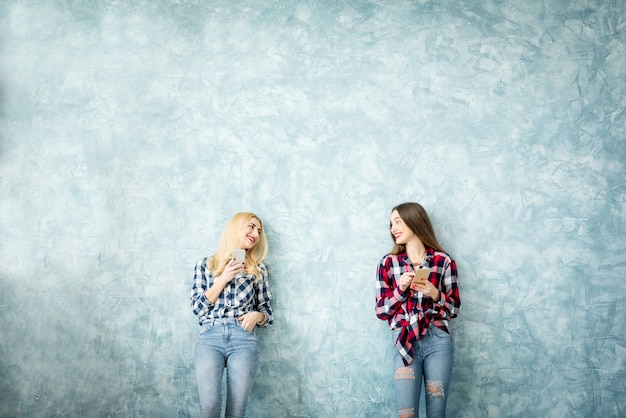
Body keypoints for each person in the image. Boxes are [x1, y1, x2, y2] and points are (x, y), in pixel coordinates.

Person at [375, 202, 461, 418]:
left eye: (398, 221)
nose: (393, 228)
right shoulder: (388, 263)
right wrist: (401, 289)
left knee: (436, 412)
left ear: (415, 221)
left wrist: (435, 294)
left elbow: (454, 309)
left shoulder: (443, 261)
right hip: (405, 339)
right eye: (391, 223)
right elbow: (381, 311)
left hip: (438, 340)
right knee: (406, 413)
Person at [190, 212, 273, 418]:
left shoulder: (258, 270)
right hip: (210, 337)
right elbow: (197, 309)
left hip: (243, 338)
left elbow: (267, 312)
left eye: (259, 231)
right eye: (251, 227)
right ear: (237, 227)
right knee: (209, 409)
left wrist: (256, 315)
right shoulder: (206, 265)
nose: (256, 233)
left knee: (236, 413)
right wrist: (222, 278)